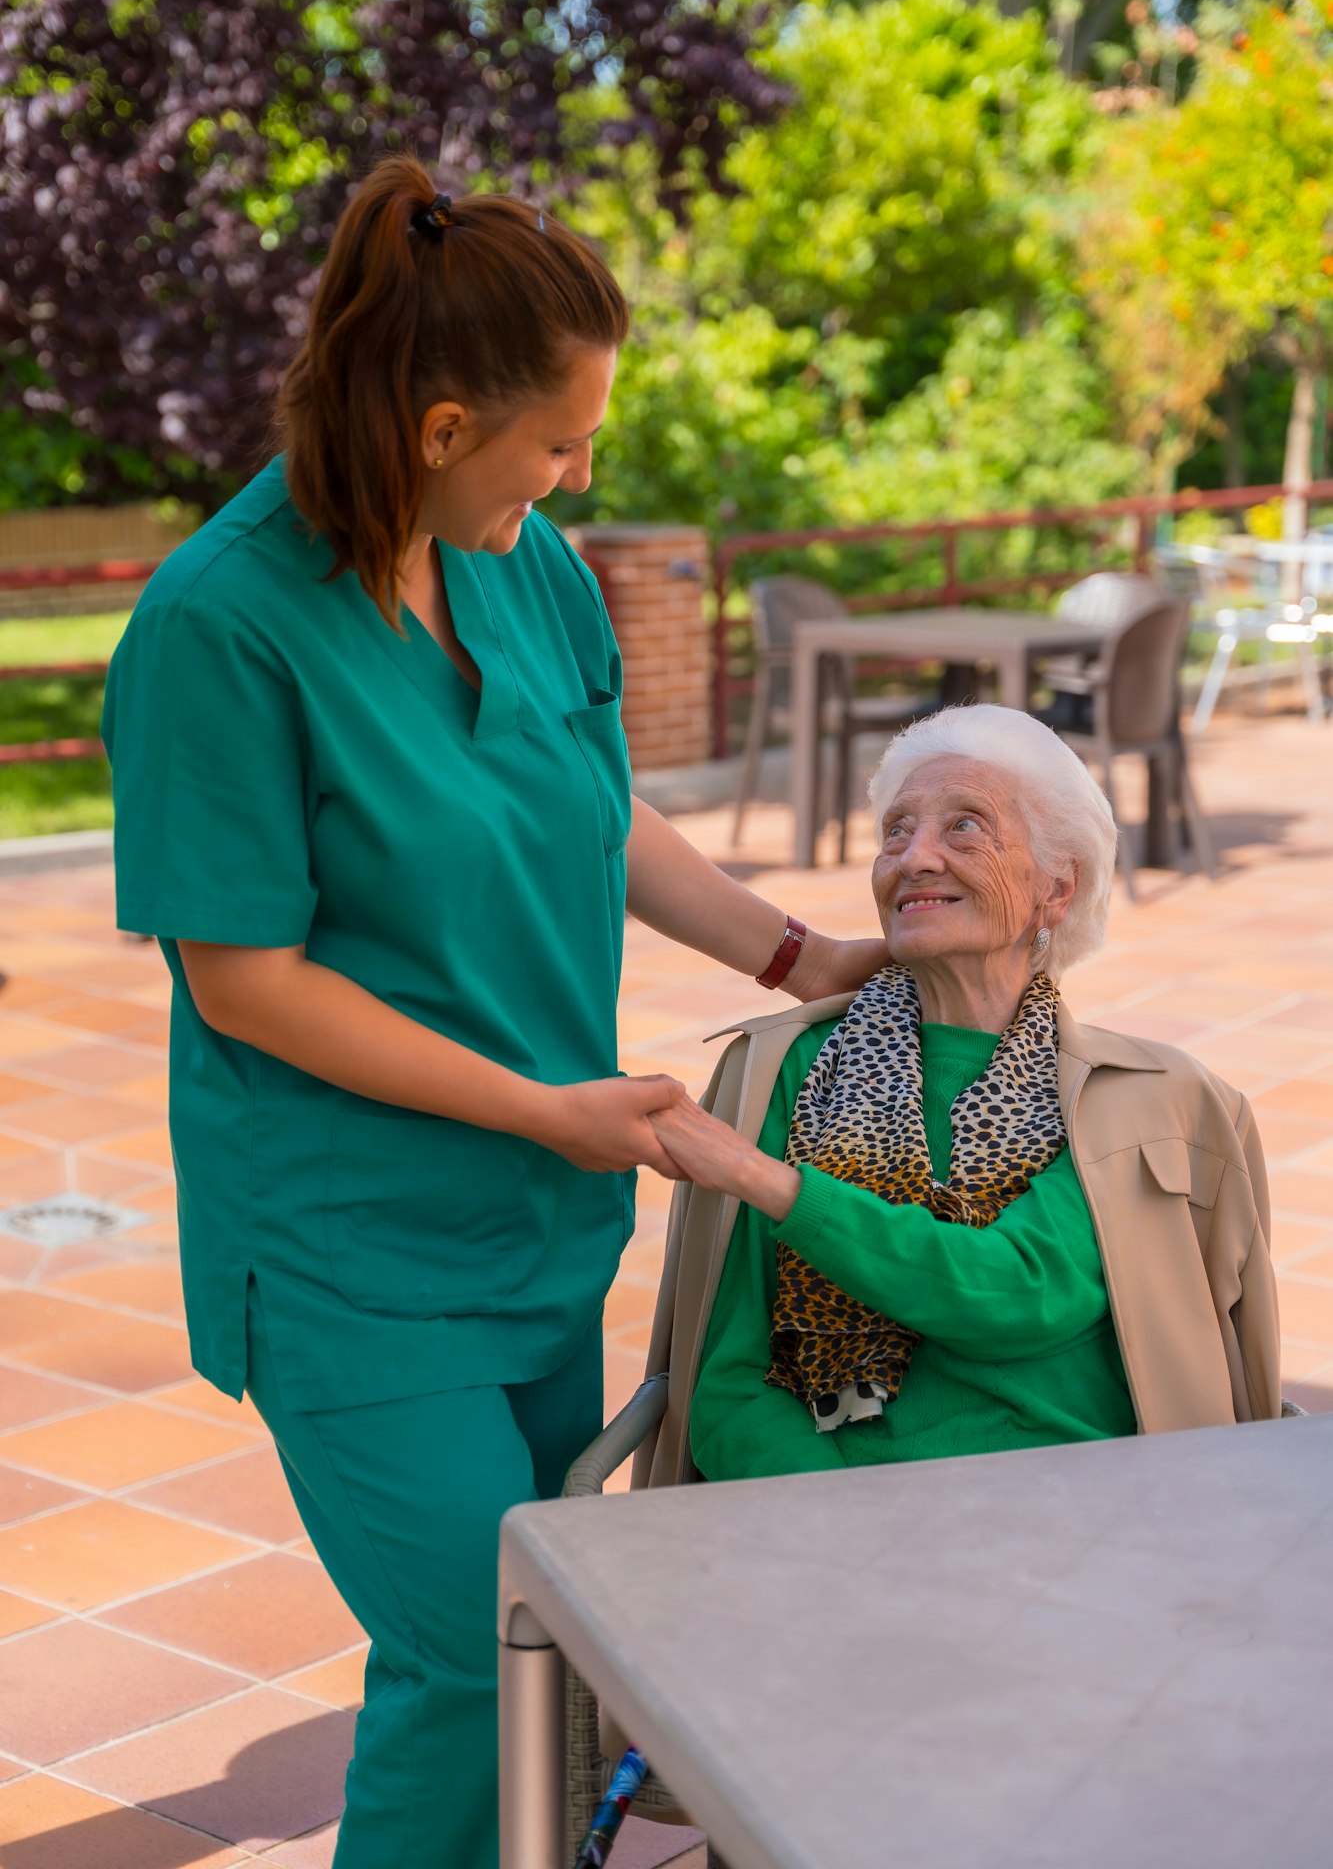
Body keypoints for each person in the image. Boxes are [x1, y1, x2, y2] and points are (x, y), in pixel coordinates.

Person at [101, 158, 886, 1869]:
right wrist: (546, 1108)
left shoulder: (522, 562)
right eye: (558, 441)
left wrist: (791, 955)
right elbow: (243, 980)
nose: (579, 474)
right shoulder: (219, 629)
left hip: (540, 1222)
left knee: (547, 1654)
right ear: (443, 421)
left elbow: (599, 815)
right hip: (345, 1249)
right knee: (472, 1661)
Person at [650, 705, 1281, 1482]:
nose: (912, 857)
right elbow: (729, 1387)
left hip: (1080, 1511)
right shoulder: (786, 1067)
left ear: (1057, 887)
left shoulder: (1136, 1100)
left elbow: (1017, 1296)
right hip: (831, 1530)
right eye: (895, 830)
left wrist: (773, 1186)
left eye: (964, 828)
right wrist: (842, 1530)